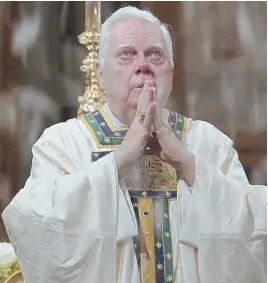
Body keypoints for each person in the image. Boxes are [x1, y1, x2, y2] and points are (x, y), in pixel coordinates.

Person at [2, 6, 267, 283]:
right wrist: (117, 162)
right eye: (126, 54)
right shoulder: (63, 144)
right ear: (101, 75)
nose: (143, 65)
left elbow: (254, 229)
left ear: (171, 73)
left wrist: (189, 166)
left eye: (155, 54)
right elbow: (34, 224)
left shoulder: (207, 143)